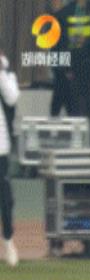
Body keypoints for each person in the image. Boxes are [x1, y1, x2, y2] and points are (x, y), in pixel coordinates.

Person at [59, 0, 90, 144]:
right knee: (74, 105)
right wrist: (66, 68)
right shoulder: (67, 12)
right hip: (73, 67)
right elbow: (62, 42)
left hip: (88, 65)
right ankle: (75, 142)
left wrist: (87, 40)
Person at [0, 52, 20, 266]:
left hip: (0, 148)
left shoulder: (4, 72)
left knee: (6, 199)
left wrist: (2, 72)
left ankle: (8, 241)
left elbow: (12, 97)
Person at [49, 0, 74, 117]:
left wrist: (67, 68)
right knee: (67, 101)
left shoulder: (61, 19)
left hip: (62, 67)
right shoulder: (58, 19)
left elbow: (64, 45)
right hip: (60, 66)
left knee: (62, 101)